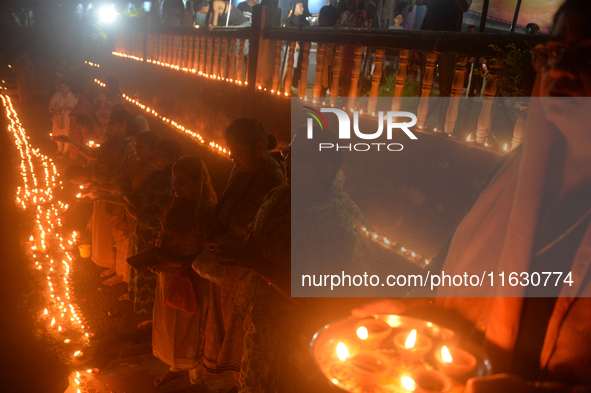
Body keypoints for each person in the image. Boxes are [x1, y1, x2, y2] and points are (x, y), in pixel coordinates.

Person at [354, 0, 591, 390]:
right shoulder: (517, 176)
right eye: (555, 52)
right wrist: (410, 313)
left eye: (588, 55)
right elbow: (454, 286)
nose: (560, 70)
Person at [192, 118, 285, 387]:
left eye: (238, 152)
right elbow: (227, 203)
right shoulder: (241, 168)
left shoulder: (274, 178)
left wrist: (229, 235)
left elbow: (262, 227)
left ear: (259, 147)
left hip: (247, 269)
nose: (232, 158)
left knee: (238, 330)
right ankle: (230, 377)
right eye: (230, 151)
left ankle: (236, 378)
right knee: (222, 323)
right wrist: (214, 229)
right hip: (226, 259)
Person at [150, 156, 217, 387]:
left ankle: (197, 380)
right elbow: (164, 236)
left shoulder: (207, 211)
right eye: (174, 180)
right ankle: (175, 366)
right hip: (169, 275)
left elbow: (210, 255)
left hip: (194, 279)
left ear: (198, 182)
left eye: (182, 181)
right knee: (171, 324)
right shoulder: (175, 203)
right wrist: (157, 258)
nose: (174, 185)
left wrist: (177, 264)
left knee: (193, 328)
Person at [125, 139, 181, 317]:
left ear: (172, 158)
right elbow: (135, 197)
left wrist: (134, 212)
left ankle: (151, 317)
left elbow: (156, 219)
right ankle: (142, 309)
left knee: (151, 276)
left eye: (159, 155)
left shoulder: (170, 183)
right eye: (154, 153)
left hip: (153, 235)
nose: (153, 157)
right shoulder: (156, 175)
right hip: (141, 230)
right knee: (140, 269)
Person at [335, 0, 366, 96]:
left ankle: (346, 103)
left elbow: (352, 26)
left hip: (352, 49)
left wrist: (340, 28)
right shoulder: (343, 13)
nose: (350, 2)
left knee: (348, 77)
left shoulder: (361, 13)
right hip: (341, 49)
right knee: (338, 76)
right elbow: (336, 26)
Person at [49, 81, 78, 156]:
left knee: (66, 133)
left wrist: (70, 109)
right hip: (58, 117)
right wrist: (53, 110)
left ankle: (65, 149)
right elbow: (51, 104)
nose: (63, 89)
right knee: (57, 132)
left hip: (67, 118)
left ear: (69, 87)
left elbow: (76, 106)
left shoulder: (72, 96)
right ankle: (59, 148)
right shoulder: (57, 95)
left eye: (65, 87)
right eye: (61, 87)